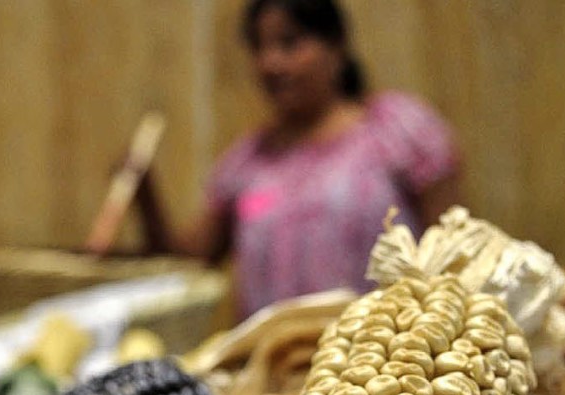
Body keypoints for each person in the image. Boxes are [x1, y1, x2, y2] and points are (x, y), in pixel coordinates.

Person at [135, 0, 461, 319]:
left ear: (337, 47)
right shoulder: (249, 160)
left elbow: (452, 250)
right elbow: (190, 261)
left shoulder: (395, 130)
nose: (270, 63)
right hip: (275, 362)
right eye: (259, 47)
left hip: (384, 363)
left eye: (289, 43)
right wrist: (144, 195)